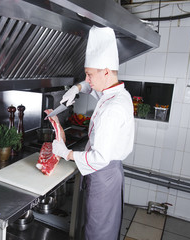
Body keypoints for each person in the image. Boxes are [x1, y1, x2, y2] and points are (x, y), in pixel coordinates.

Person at [52, 26, 135, 240]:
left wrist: (65, 153)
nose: (87, 79)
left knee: (98, 232)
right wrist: (77, 89)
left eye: (89, 74)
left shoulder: (112, 109)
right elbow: (93, 88)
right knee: (103, 226)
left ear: (106, 71)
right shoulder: (117, 93)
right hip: (110, 174)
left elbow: (99, 158)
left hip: (104, 174)